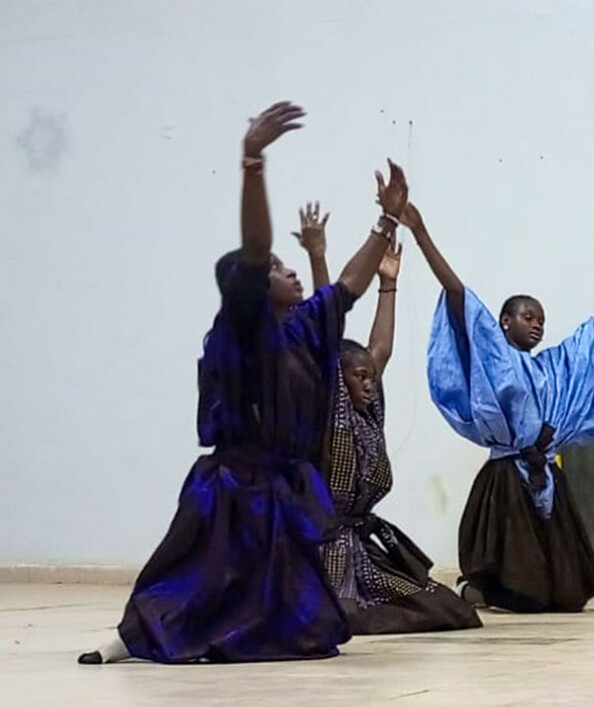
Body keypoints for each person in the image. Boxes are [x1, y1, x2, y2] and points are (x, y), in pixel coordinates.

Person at [79, 102, 408, 664]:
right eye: (278, 268)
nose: (290, 270)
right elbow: (254, 251)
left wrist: (387, 221)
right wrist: (252, 162)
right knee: (199, 581)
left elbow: (349, 287)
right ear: (251, 286)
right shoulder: (240, 330)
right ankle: (130, 638)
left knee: (300, 622)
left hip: (281, 483)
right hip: (232, 487)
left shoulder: (300, 328)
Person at [411, 200, 594, 613]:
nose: (537, 323)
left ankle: (504, 590)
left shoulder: (552, 367)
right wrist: (420, 234)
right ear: (505, 322)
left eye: (540, 319)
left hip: (545, 475)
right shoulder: (496, 354)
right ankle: (475, 591)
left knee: (569, 595)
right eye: (527, 316)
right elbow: (459, 295)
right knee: (521, 591)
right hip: (507, 478)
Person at [295, 214, 482, 635]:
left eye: (370, 377)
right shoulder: (330, 403)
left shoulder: (369, 410)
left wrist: (388, 284)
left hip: (360, 546)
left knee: (448, 609)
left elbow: (380, 348)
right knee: (339, 615)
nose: (368, 382)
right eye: (358, 376)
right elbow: (326, 334)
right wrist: (318, 258)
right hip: (321, 549)